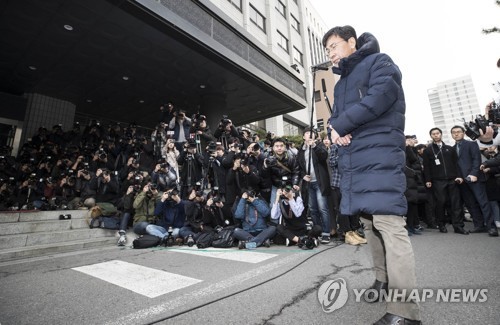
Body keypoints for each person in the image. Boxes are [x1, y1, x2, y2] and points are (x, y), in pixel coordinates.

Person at [323, 25, 420, 324]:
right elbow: (337, 120)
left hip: (378, 153)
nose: (331, 54)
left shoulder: (380, 62)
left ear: (352, 42)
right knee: (368, 223)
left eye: (334, 46)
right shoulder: (340, 84)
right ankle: (382, 279)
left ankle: (405, 312)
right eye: (327, 51)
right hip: (355, 158)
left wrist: (343, 125)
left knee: (389, 223)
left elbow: (382, 96)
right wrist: (334, 131)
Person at [451, 125, 498, 236]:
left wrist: (473, 174)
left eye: (458, 132)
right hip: (462, 181)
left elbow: (476, 160)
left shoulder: (471, 144)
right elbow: (455, 165)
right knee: (471, 204)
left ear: (463, 133)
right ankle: (479, 225)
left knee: (483, 203)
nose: (456, 134)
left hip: (475, 178)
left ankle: (491, 227)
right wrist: (459, 177)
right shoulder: (452, 149)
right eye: (454, 132)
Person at [422, 127, 469, 235]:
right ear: (431, 136)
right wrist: (428, 180)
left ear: (441, 134)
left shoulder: (449, 148)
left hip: (453, 179)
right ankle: (441, 225)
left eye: (437, 133)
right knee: (441, 203)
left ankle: (458, 226)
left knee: (456, 203)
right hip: (438, 181)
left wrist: (459, 176)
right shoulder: (428, 150)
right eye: (433, 134)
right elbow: (426, 166)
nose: (436, 135)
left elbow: (456, 164)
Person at [297, 127, 332, 244]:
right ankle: (318, 231)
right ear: (303, 136)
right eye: (307, 133)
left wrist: (314, 146)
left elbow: (323, 156)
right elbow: (299, 166)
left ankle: (326, 232)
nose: (309, 135)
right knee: (313, 209)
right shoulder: (301, 150)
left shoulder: (319, 146)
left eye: (312, 133)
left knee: (323, 208)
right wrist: (303, 175)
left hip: (320, 182)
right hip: (308, 183)